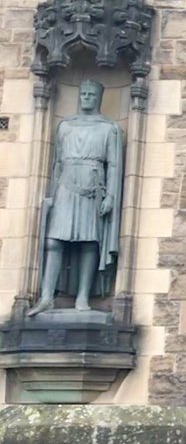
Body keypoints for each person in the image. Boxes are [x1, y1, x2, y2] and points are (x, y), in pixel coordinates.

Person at [28, 79, 123, 315]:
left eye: (91, 94)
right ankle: (47, 296)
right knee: (54, 241)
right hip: (66, 187)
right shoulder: (65, 126)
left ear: (99, 97)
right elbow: (57, 163)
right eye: (83, 94)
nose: (86, 98)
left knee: (89, 243)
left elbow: (113, 165)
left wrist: (110, 196)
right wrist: (52, 192)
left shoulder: (108, 128)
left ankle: (82, 297)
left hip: (92, 188)